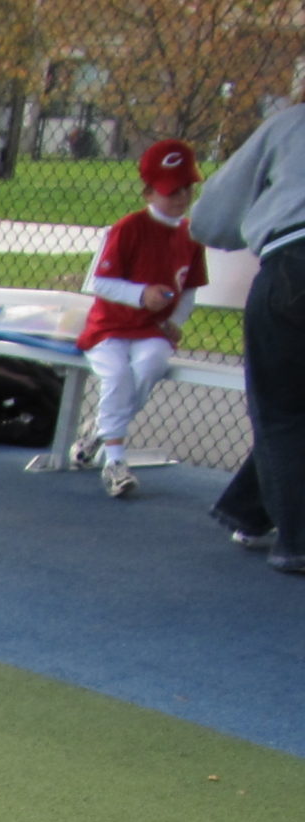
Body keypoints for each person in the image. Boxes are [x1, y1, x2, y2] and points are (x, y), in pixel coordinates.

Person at [191, 98, 305, 572]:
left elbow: (213, 219)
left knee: (283, 409)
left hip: (294, 264)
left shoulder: (290, 125)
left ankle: (295, 540)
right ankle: (249, 511)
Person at [71, 139, 208, 498]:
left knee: (150, 366)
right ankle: (115, 462)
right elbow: (99, 282)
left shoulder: (191, 235)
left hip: (152, 329)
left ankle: (100, 431)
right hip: (110, 326)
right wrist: (140, 294)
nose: (181, 197)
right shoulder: (129, 227)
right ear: (148, 192)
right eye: (171, 190)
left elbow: (189, 289)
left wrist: (176, 320)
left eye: (187, 188)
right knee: (117, 374)